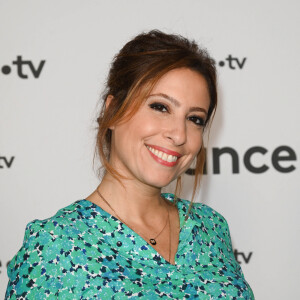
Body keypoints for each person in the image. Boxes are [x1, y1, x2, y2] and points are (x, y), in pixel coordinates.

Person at [6, 30, 254, 299]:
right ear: (112, 111)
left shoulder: (210, 228)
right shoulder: (53, 246)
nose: (179, 135)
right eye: (160, 107)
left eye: (195, 119)